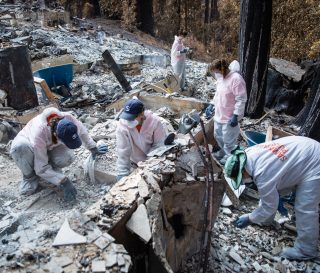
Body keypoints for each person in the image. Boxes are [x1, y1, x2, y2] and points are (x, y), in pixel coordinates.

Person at [224, 136, 320, 260]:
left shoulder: (262, 174)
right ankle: (265, 220)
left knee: (305, 208)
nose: (243, 182)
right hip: (306, 149)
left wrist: (250, 218)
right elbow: (268, 195)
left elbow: (268, 206)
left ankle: (306, 250)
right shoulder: (247, 154)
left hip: (315, 162)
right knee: (272, 194)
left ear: (243, 171)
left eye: (241, 178)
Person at [10, 107, 107, 201]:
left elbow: (82, 132)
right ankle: (30, 177)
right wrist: (63, 181)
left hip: (49, 143)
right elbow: (41, 168)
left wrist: (93, 147)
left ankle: (51, 171)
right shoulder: (39, 134)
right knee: (20, 148)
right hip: (27, 145)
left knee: (67, 158)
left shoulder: (69, 119)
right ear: (57, 135)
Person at [116, 99, 174, 181]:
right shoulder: (122, 125)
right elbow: (123, 150)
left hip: (152, 160)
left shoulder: (154, 122)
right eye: (127, 117)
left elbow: (158, 145)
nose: (129, 121)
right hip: (134, 161)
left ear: (142, 114)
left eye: (132, 118)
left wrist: (147, 164)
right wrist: (122, 172)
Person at [208, 59, 247, 164]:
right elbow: (218, 94)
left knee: (228, 141)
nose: (216, 74)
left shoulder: (236, 79)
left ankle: (230, 158)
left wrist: (236, 115)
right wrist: (211, 105)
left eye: (217, 71)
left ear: (223, 69)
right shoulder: (221, 78)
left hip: (229, 117)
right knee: (218, 136)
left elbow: (241, 99)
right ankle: (223, 152)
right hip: (219, 115)